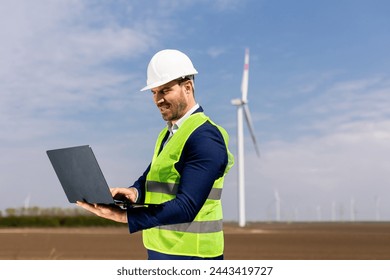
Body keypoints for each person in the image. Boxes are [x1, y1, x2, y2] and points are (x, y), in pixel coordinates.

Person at [77, 49, 234, 260]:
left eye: (165, 90)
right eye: (154, 92)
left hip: (193, 256)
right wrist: (135, 193)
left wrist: (125, 216)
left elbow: (187, 206)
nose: (158, 99)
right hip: (159, 249)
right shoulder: (168, 134)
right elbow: (154, 176)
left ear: (187, 87)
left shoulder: (205, 137)